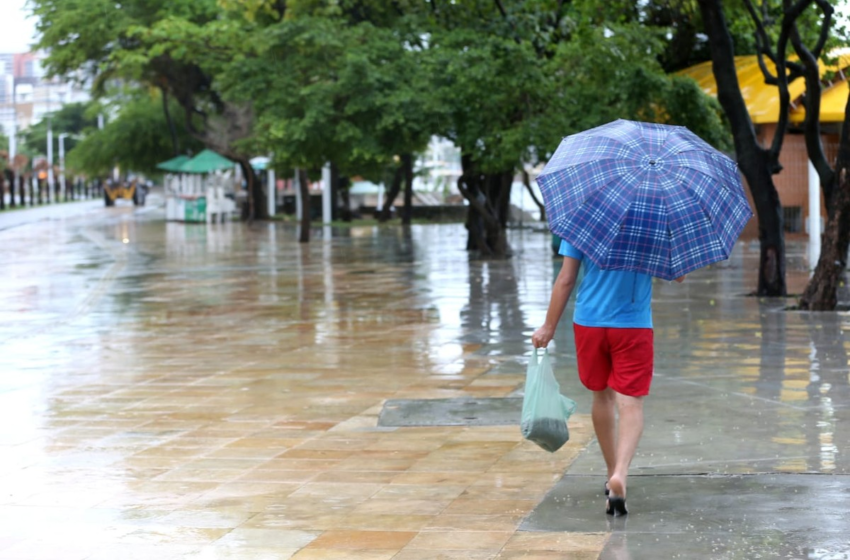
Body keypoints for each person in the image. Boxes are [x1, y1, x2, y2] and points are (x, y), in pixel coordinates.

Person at [531, 238, 684, 516]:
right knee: (631, 403)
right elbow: (679, 274)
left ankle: (610, 469)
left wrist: (548, 327)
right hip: (632, 325)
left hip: (589, 321)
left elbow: (566, 278)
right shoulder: (651, 222)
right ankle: (620, 476)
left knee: (601, 396)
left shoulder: (584, 219)